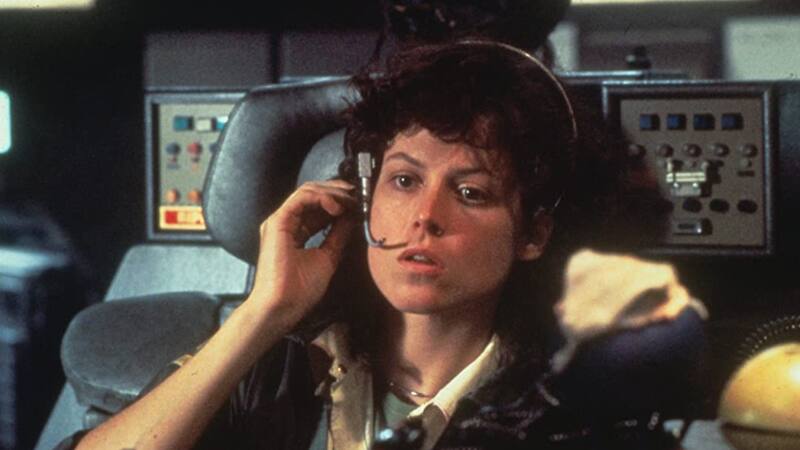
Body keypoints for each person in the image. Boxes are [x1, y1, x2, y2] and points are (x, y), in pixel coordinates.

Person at [70, 40, 701, 450]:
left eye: (471, 192)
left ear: (533, 234)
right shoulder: (271, 373)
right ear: (364, 198)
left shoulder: (573, 417)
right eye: (404, 181)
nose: (425, 217)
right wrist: (263, 313)